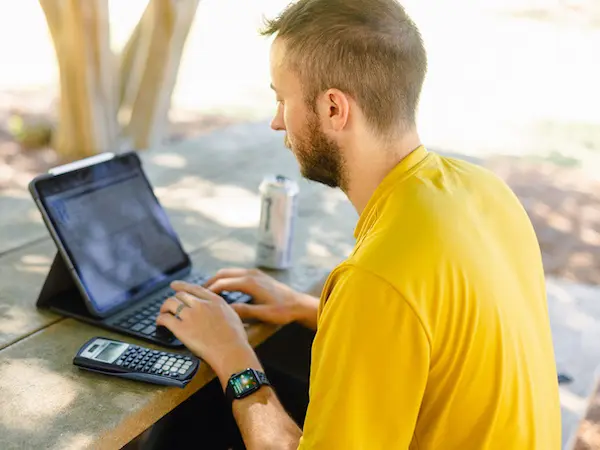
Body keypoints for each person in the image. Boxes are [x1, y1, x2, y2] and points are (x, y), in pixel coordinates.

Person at [154, 0, 561, 448]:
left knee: (202, 412)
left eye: (281, 99)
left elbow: (386, 295)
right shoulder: (485, 190)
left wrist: (234, 356)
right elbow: (441, 335)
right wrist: (306, 306)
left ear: (333, 109)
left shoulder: (375, 281)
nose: (276, 121)